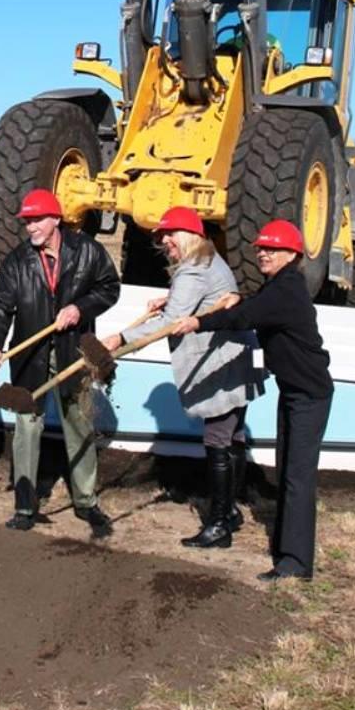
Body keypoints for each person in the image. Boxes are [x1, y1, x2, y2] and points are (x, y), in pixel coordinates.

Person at [172, 219, 333, 581]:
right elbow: (256, 304)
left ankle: (294, 564)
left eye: (271, 248)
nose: (262, 252)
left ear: (291, 254)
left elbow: (245, 317)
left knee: (296, 477)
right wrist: (239, 297)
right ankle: (287, 550)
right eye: (260, 247)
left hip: (309, 396)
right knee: (288, 471)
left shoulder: (287, 288)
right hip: (295, 391)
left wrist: (199, 322)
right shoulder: (280, 284)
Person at [104, 206, 262, 549]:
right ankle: (230, 512)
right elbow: (193, 302)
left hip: (219, 366)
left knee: (218, 442)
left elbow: (172, 322)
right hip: (234, 362)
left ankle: (219, 525)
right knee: (232, 438)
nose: (164, 242)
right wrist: (172, 299)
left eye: (169, 235)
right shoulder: (209, 260)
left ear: (187, 234)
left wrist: (120, 339)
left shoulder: (193, 269)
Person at [0, 189, 120, 537]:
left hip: (75, 356)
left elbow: (110, 287)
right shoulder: (16, 262)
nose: (31, 227)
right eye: (27, 221)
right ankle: (25, 505)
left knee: (79, 424)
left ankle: (86, 501)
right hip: (31, 358)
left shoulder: (87, 250)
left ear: (56, 218)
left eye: (37, 219)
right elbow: (0, 307)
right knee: (27, 428)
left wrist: (81, 308)